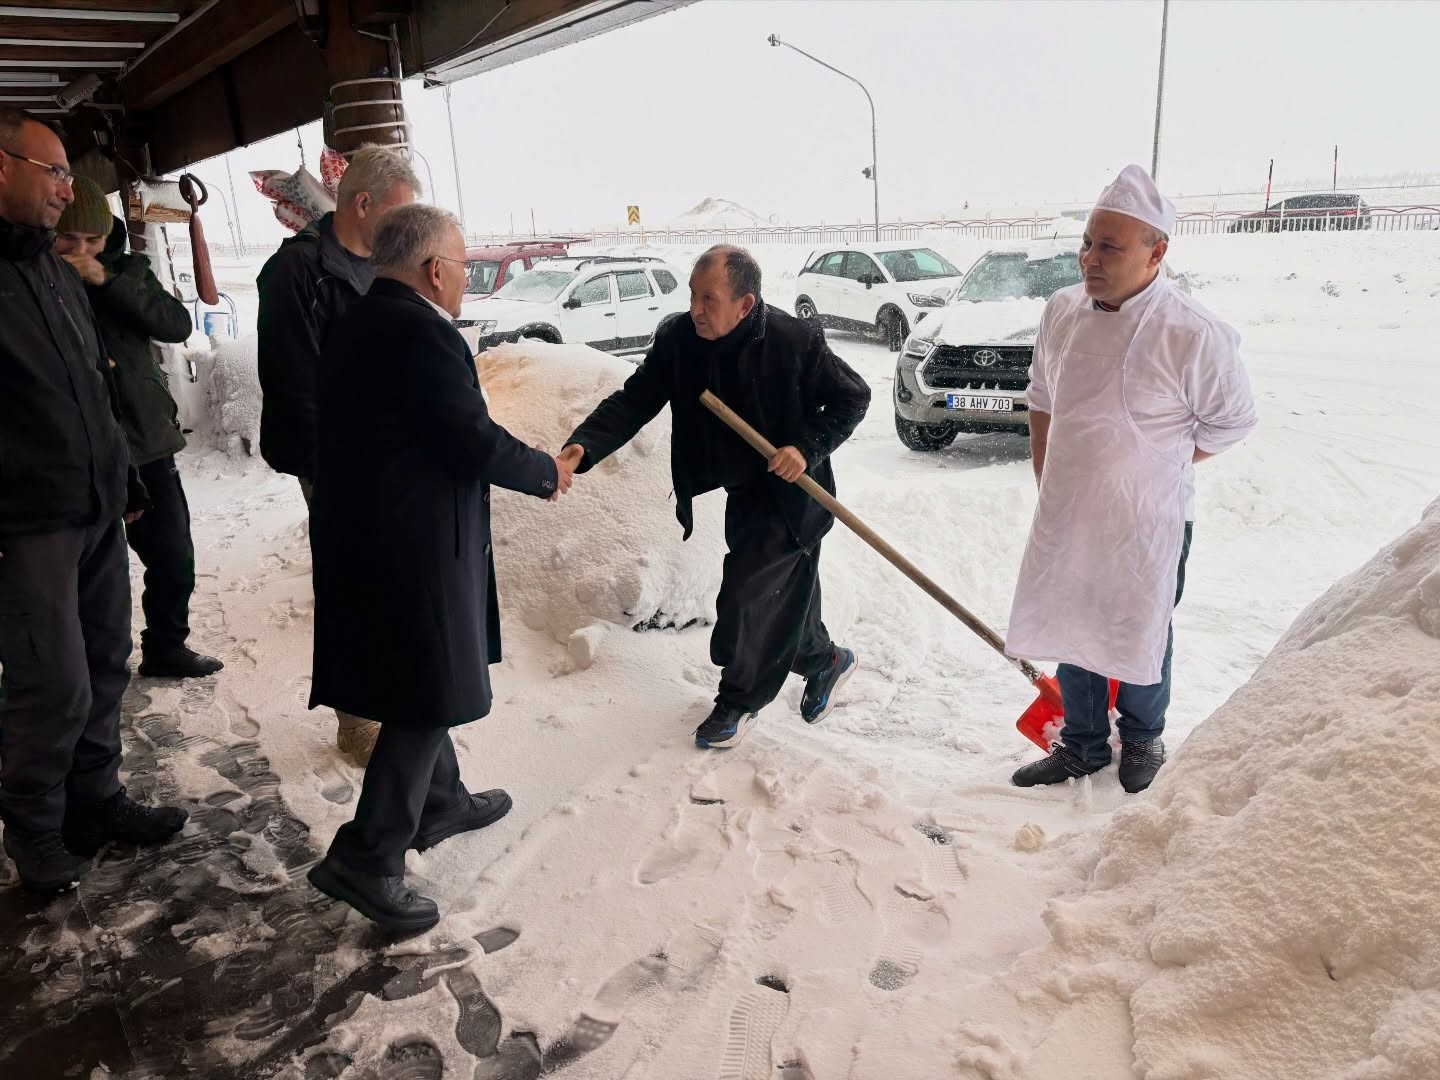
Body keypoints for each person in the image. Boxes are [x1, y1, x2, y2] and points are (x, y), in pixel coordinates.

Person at [305, 205, 571, 932]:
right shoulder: (420, 332)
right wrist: (545, 471)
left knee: (423, 672)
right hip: (412, 543)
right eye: (459, 267)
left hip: (376, 532)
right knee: (428, 690)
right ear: (435, 270)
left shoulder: (360, 319)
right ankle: (367, 854)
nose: (461, 281)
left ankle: (443, 801)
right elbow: (469, 439)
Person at [558, 245, 871, 750]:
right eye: (692, 295)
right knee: (780, 595)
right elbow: (635, 398)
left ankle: (738, 699)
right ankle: (827, 660)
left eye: (709, 298)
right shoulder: (681, 339)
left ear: (745, 305)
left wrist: (804, 447)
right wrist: (584, 445)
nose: (696, 309)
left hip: (797, 496)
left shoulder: (793, 341)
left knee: (747, 596)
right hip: (745, 489)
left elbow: (852, 397)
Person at [1008, 164, 1258, 794]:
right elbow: (1041, 397)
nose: (1090, 258)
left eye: (1109, 246)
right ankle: (1084, 744)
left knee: (1140, 623)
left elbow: (1231, 423)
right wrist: (1049, 475)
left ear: (1157, 251)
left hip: (1149, 516)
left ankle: (1143, 738)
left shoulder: (1194, 332)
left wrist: (1158, 461)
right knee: (1073, 620)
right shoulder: (1062, 311)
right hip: (1070, 510)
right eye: (1088, 243)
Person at [0, 108, 187, 893]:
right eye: (53, 172)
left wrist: (126, 474)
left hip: (97, 503)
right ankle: (36, 832)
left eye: (69, 175)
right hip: (24, 519)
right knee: (53, 682)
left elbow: (91, 384)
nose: (65, 189)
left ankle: (96, 801)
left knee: (108, 659)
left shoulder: (51, 265)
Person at [256, 143, 419, 764]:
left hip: (386, 456)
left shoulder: (383, 264)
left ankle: (395, 696)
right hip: (335, 463)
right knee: (352, 585)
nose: (404, 227)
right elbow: (294, 388)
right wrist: (338, 476)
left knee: (391, 583)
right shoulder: (297, 272)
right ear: (361, 203)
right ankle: (358, 719)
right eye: (396, 213)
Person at [54, 178, 223, 679]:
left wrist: (105, 279)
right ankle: (82, 668)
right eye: (70, 240)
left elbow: (174, 324)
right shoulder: (31, 285)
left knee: (173, 556)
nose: (82, 250)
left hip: (146, 442)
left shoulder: (128, 272)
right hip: (77, 452)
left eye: (93, 239)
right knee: (87, 574)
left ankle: (166, 645)